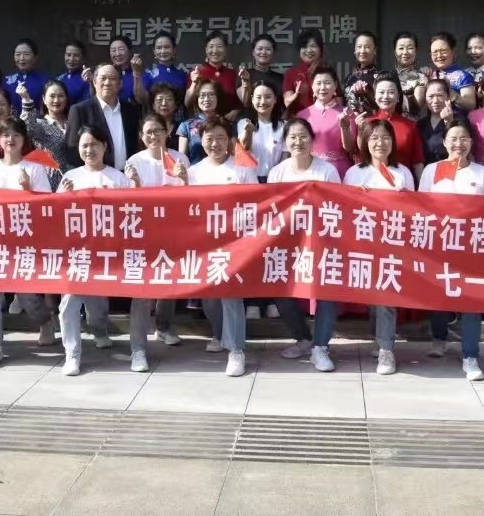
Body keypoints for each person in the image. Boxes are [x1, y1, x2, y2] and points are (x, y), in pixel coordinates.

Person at [326, 119, 415, 376]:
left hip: (392, 245)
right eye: (374, 138)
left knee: (386, 295)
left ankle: (386, 348)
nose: (380, 143)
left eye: (385, 137)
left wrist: (405, 199)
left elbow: (416, 213)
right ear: (365, 142)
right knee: (374, 298)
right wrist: (355, 196)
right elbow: (342, 211)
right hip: (362, 245)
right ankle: (379, 338)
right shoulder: (355, 173)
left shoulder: (403, 172)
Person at [418, 119, 484, 381]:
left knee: (471, 301)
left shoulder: (481, 173)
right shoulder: (432, 170)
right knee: (440, 296)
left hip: (472, 247)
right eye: (453, 138)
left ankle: (470, 355)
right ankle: (439, 338)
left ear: (471, 143)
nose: (458, 144)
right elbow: (420, 206)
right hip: (439, 245)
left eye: (464, 138)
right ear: (444, 142)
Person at [0, 118, 54, 369]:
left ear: (23, 140)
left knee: (27, 295)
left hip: (24, 244)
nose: (11, 140)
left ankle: (45, 321)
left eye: (16, 135)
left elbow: (46, 209)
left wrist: (28, 189)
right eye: (6, 135)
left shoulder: (35, 169)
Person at [187, 115, 259, 377]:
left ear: (230, 141)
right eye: (209, 138)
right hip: (205, 244)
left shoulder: (242, 168)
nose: (215, 143)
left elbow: (257, 204)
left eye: (221, 138)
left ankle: (236, 350)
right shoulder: (193, 172)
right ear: (201, 140)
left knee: (231, 296)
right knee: (209, 299)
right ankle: (220, 334)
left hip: (235, 243)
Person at [267, 117, 342, 371]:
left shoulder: (327, 170)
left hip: (321, 241)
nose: (298, 141)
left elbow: (336, 207)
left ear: (312, 140)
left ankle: (320, 347)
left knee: (326, 292)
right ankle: (302, 339)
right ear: (285, 142)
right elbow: (272, 209)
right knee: (280, 290)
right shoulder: (278, 172)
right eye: (293, 137)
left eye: (303, 136)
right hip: (288, 242)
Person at [123, 115, 191, 369]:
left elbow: (189, 198)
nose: (154, 136)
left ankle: (163, 326)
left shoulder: (180, 158)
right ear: (142, 136)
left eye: (158, 131)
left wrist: (184, 180)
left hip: (173, 231)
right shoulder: (134, 161)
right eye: (149, 132)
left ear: (167, 132)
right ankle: (138, 349)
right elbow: (127, 204)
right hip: (143, 233)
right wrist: (135, 184)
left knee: (168, 281)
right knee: (141, 292)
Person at [56, 128, 124, 375]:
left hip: (106, 253)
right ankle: (72, 354)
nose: (89, 150)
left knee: (96, 306)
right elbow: (54, 216)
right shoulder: (70, 177)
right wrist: (63, 197)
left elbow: (131, 215)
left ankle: (99, 330)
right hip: (77, 252)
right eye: (84, 145)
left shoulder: (118, 178)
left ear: (104, 146)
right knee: (69, 302)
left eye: (94, 144)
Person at [65, 63, 142, 170]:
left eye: (112, 79)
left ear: (120, 84)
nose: (107, 83)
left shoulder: (131, 110)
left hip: (127, 175)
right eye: (103, 78)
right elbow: (71, 150)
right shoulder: (80, 110)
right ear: (94, 82)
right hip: (95, 175)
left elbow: (136, 144)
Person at [350, 72, 424, 181]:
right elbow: (361, 156)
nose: (385, 96)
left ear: (398, 97)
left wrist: (422, 187)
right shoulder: (366, 123)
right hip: (371, 183)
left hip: (401, 182)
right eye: (381, 92)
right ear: (375, 96)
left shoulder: (410, 126)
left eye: (391, 92)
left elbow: (417, 162)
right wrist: (360, 131)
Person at [298, 66, 355, 178]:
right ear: (312, 86)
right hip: (311, 171)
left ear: (335, 86)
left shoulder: (347, 113)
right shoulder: (302, 115)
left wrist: (344, 127)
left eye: (327, 83)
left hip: (339, 171)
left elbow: (350, 148)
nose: (322, 87)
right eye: (318, 83)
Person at [19, 77, 72, 189]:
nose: (56, 100)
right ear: (44, 99)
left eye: (61, 96)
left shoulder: (74, 122)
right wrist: (26, 100)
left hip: (76, 178)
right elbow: (28, 125)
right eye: (52, 96)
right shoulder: (40, 124)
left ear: (66, 99)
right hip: (51, 181)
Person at [237, 82, 286, 181]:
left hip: (276, 179)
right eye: (258, 97)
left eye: (268, 97)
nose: (263, 102)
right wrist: (248, 132)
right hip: (250, 179)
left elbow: (286, 157)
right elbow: (244, 149)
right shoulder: (244, 123)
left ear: (275, 99)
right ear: (252, 99)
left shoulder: (284, 126)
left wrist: (277, 178)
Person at [187, 31, 237, 115]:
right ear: (206, 50)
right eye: (211, 46)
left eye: (219, 46)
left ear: (225, 50)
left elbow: (240, 103)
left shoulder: (232, 74)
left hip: (228, 120)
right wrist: (193, 83)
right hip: (203, 120)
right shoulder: (196, 73)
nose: (215, 50)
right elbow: (187, 103)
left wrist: (236, 112)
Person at [177, 79, 223, 164]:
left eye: (211, 94)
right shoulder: (186, 125)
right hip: (194, 171)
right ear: (197, 99)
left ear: (218, 98)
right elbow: (182, 158)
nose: (206, 99)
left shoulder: (226, 124)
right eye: (202, 95)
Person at [428, 32, 477, 111]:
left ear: (453, 51)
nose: (439, 55)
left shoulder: (463, 76)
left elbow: (470, 105)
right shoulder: (429, 75)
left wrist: (450, 91)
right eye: (435, 52)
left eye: (443, 51)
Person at [282, 27, 325, 115]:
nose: (309, 50)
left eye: (313, 46)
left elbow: (338, 101)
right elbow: (287, 101)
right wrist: (295, 96)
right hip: (299, 120)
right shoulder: (291, 73)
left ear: (320, 49)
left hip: (324, 119)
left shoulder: (328, 72)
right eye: (304, 46)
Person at [418, 78, 458, 165]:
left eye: (440, 95)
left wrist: (449, 122)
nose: (435, 101)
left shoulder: (459, 121)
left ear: (448, 97)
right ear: (425, 99)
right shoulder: (419, 125)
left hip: (451, 168)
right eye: (431, 96)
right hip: (424, 171)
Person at [3, 37, 47, 116]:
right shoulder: (6, 81)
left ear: (35, 57)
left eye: (26, 54)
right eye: (18, 54)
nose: (21, 58)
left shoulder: (45, 81)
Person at [345, 31, 384, 112]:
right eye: (359, 47)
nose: (362, 51)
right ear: (355, 50)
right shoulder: (349, 77)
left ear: (375, 50)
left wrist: (367, 93)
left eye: (367, 47)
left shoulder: (381, 77)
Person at [239, 33, 284, 103]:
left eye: (268, 49)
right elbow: (243, 102)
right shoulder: (244, 75)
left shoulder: (281, 78)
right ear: (253, 52)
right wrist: (246, 82)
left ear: (273, 53)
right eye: (260, 49)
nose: (263, 52)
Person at [143, 31, 190, 97]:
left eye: (167, 47)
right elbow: (143, 99)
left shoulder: (183, 76)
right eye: (159, 48)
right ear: (154, 51)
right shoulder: (147, 75)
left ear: (174, 50)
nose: (163, 51)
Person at [393, 31, 428, 117]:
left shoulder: (421, 78)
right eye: (401, 48)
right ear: (395, 52)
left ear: (416, 51)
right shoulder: (388, 76)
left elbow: (415, 109)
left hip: (410, 123)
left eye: (410, 48)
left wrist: (410, 96)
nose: (405, 52)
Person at [108, 35, 148, 106]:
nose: (117, 54)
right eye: (113, 50)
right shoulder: (107, 73)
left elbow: (141, 99)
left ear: (130, 51)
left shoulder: (141, 72)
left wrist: (136, 72)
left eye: (121, 49)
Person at [58, 40, 92, 105]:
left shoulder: (87, 80)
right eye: (68, 55)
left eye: (76, 55)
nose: (71, 59)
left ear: (83, 58)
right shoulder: (59, 79)